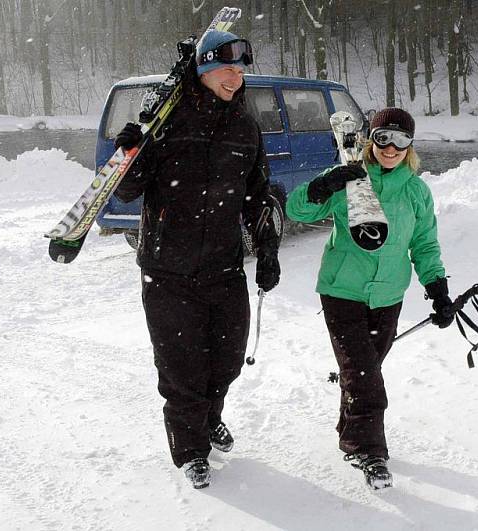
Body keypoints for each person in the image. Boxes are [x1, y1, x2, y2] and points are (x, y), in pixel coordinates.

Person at [112, 30, 281, 490]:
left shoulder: (244, 125)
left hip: (224, 266)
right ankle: (190, 449)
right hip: (168, 268)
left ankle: (209, 417)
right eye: (227, 68)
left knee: (225, 360)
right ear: (204, 70)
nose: (236, 76)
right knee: (182, 367)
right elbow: (127, 191)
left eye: (241, 69)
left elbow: (257, 193)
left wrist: (267, 247)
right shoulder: (166, 122)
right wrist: (128, 152)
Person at [285, 107, 456, 490]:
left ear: (410, 146)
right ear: (370, 140)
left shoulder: (416, 191)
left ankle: (349, 430)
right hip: (341, 291)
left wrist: (438, 289)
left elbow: (425, 244)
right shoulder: (350, 179)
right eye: (383, 139)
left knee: (363, 371)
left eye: (401, 140)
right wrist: (325, 183)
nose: (391, 148)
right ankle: (371, 452)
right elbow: (296, 209)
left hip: (389, 295)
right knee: (365, 375)